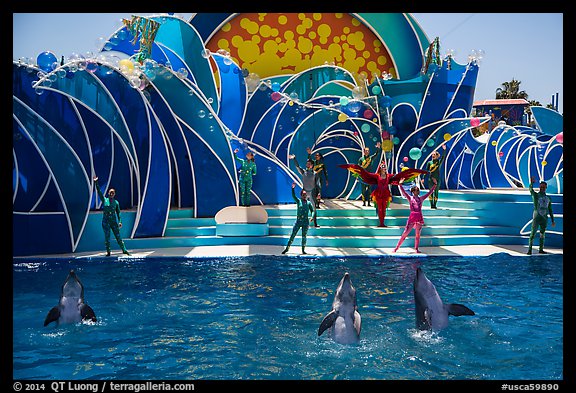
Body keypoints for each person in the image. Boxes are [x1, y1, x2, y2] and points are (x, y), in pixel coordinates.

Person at [340, 162, 427, 227]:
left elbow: (399, 176)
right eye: (382, 167)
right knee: (380, 209)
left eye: (385, 167)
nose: (384, 168)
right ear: (380, 169)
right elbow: (366, 174)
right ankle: (380, 223)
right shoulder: (376, 176)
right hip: (378, 194)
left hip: (385, 194)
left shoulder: (389, 176)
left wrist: (411, 173)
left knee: (384, 209)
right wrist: (356, 169)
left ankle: (382, 223)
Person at [393, 178, 437, 253]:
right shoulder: (410, 198)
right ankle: (396, 248)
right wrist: (400, 184)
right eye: (416, 190)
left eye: (418, 190)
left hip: (419, 217)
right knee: (405, 233)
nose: (417, 192)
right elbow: (404, 192)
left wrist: (435, 185)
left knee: (418, 234)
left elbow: (430, 192)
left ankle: (416, 248)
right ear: (413, 191)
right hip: (412, 217)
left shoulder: (421, 198)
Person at [93, 176, 130, 256]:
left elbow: (118, 213)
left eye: (113, 193)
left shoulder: (116, 203)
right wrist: (96, 183)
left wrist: (120, 221)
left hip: (113, 221)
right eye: (110, 192)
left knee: (118, 236)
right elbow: (99, 192)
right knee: (107, 237)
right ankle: (108, 252)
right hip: (106, 221)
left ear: (114, 194)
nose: (111, 194)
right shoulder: (105, 200)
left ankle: (124, 250)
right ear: (108, 193)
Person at [282, 182, 316, 255]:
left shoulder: (309, 203)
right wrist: (293, 189)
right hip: (298, 221)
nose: (304, 196)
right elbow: (293, 196)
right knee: (293, 235)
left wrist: (312, 217)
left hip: (305, 222)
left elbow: (312, 210)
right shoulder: (299, 201)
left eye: (305, 194)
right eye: (303, 194)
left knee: (304, 237)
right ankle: (287, 248)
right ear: (301, 195)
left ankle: (303, 250)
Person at [527, 176, 556, 255]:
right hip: (536, 217)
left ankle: (541, 249)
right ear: (539, 187)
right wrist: (531, 183)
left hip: (544, 219)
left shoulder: (548, 198)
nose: (542, 188)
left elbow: (550, 209)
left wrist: (553, 220)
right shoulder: (536, 196)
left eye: (543, 187)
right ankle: (529, 250)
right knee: (532, 233)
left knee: (542, 234)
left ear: (546, 187)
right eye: (541, 187)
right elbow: (530, 190)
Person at [290, 154, 319, 227]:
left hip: (312, 192)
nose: (307, 165)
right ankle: (300, 222)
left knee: (314, 208)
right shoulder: (303, 172)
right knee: (301, 207)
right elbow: (297, 167)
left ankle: (315, 223)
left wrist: (318, 193)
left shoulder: (315, 174)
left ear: (312, 165)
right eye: (307, 163)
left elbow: (317, 184)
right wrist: (294, 159)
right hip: (305, 192)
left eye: (309, 164)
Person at [421, 144, 446, 209]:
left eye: (434, 154)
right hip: (430, 179)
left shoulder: (438, 162)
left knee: (436, 192)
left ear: (437, 156)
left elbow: (443, 157)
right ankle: (431, 205)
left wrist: (444, 150)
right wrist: (423, 178)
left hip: (437, 179)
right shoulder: (429, 163)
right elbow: (426, 171)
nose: (433, 156)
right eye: (432, 154)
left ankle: (435, 204)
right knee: (430, 192)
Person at [357, 142, 381, 206]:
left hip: (369, 176)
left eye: (368, 151)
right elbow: (358, 168)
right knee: (363, 190)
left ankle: (369, 202)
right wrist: (358, 176)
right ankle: (364, 202)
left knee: (370, 189)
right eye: (366, 151)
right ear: (364, 151)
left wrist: (378, 148)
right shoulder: (361, 159)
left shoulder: (370, 158)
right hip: (363, 177)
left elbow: (376, 154)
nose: (367, 152)